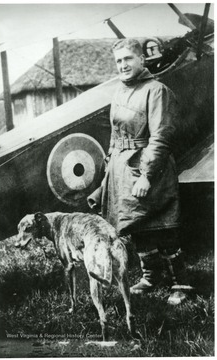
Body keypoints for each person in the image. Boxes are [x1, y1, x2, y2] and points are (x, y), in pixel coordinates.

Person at [88, 38, 193, 305]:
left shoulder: (157, 90)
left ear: (141, 60)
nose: (123, 65)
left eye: (128, 59)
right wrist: (104, 184)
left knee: (162, 224)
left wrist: (147, 174)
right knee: (137, 226)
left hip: (150, 166)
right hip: (123, 169)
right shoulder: (120, 92)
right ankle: (151, 276)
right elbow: (114, 141)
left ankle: (180, 283)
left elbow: (161, 136)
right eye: (118, 61)